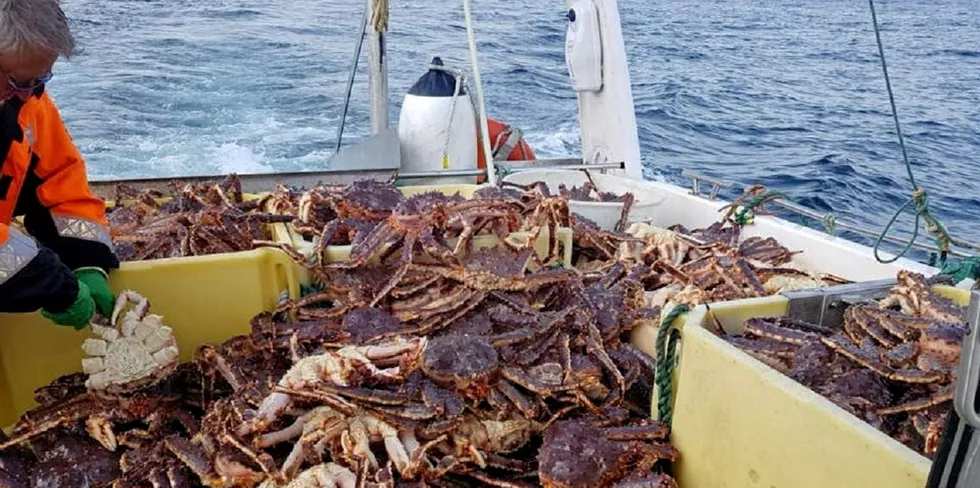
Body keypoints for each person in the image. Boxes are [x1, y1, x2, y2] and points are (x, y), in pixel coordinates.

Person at [0, 0, 119, 329]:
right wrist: (53, 286)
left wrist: (88, 261)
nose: (25, 94)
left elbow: (61, 179)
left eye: (40, 79)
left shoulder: (27, 98)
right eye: (14, 80)